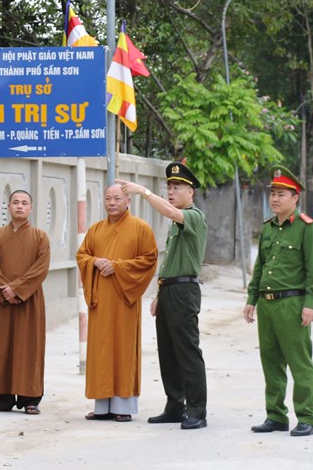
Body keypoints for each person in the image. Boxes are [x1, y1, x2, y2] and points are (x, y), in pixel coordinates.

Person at [118, 161, 209, 430]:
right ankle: (174, 406)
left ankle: (197, 410)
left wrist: (143, 192)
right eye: (169, 186)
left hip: (185, 292)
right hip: (170, 290)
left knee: (187, 352)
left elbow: (169, 211)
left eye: (177, 187)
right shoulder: (176, 223)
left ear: (190, 192)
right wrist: (159, 294)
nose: (171, 191)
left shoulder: (193, 216)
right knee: (167, 353)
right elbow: (170, 263)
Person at [243, 165, 313, 437]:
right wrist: (251, 299)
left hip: (293, 304)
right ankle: (275, 416)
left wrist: (310, 304)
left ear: (295, 197)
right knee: (271, 362)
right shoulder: (268, 229)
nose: (275, 199)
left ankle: (307, 417)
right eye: (272, 194)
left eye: (281, 194)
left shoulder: (307, 229)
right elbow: (260, 266)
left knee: (300, 363)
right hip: (267, 304)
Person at [76, 184, 158, 422]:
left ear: (128, 201)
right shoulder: (95, 229)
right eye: (108, 198)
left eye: (117, 198)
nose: (112, 203)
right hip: (101, 300)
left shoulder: (141, 228)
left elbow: (149, 259)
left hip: (124, 299)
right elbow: (82, 255)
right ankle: (101, 406)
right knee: (101, 351)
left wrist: (118, 267)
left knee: (122, 350)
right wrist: (95, 262)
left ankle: (123, 407)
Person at [0, 190, 51, 414]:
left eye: (24, 203)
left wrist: (17, 289)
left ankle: (30, 398)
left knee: (28, 347)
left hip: (29, 301)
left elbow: (41, 269)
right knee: (2, 346)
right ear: (8, 207)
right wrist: (6, 289)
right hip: (2, 300)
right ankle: (1, 397)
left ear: (30, 208)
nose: (20, 206)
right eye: (15, 203)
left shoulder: (40, 237)